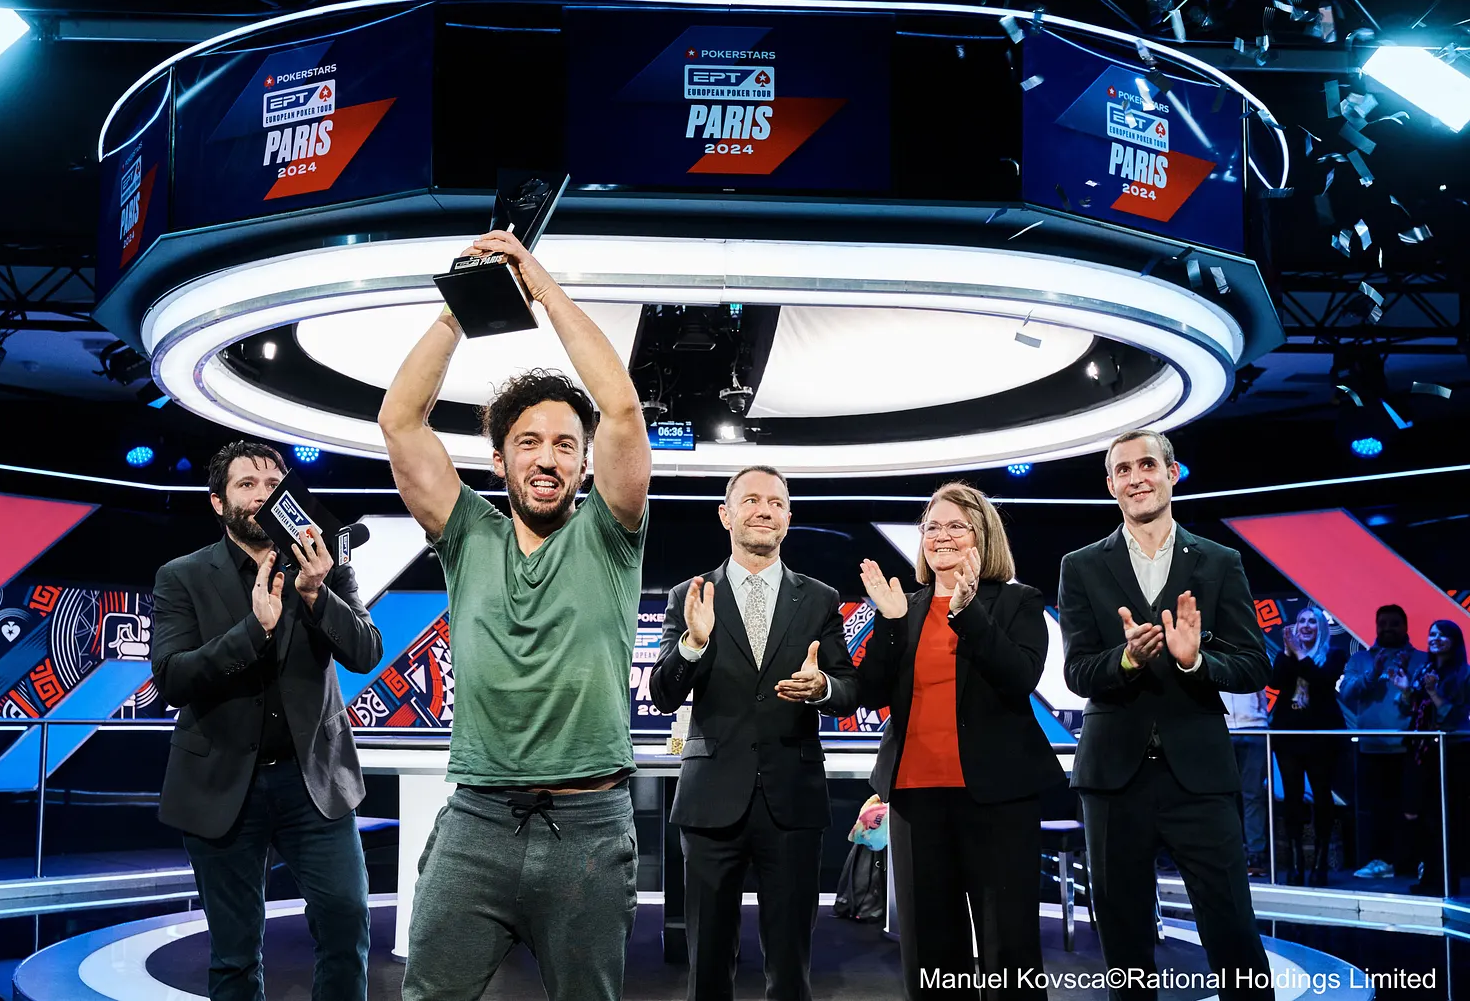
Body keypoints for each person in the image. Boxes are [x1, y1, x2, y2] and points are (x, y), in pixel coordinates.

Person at [378, 229, 652, 1001]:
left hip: (590, 830)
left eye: (566, 443)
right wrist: (465, 304)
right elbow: (401, 421)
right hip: (477, 823)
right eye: (528, 441)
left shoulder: (610, 533)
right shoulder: (467, 532)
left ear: (585, 462)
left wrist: (539, 286)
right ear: (498, 459)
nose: (548, 457)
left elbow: (622, 407)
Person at [150, 440, 384, 1001]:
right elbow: (172, 678)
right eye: (246, 484)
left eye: (272, 485)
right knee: (234, 954)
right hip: (222, 785)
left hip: (314, 783)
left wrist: (316, 593)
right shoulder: (182, 576)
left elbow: (365, 652)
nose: (261, 495)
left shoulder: (323, 564)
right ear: (218, 502)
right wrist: (253, 631)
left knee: (346, 924)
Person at [1059, 430, 1272, 1001]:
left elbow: (1254, 665)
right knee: (1125, 943)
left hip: (1199, 776)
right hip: (1113, 779)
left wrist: (1196, 661)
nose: (1137, 478)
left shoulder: (1219, 561)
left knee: (1233, 933)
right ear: (1111, 485)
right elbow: (1077, 672)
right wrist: (1127, 659)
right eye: (1124, 470)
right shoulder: (1081, 566)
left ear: (1172, 473)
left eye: (1147, 465)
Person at [651, 465, 860, 1001]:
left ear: (788, 517)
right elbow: (663, 694)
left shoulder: (820, 598)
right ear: (726, 515)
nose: (764, 510)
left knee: (790, 968)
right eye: (751, 500)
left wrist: (822, 688)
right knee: (707, 966)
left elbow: (848, 689)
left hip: (793, 798)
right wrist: (694, 645)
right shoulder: (690, 594)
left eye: (775, 502)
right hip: (711, 800)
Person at [857, 481, 1065, 1001]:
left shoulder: (1018, 601)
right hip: (916, 799)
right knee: (930, 952)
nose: (941, 536)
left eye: (956, 526)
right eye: (932, 527)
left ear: (982, 536)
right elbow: (871, 692)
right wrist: (889, 623)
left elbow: (1019, 678)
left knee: (1008, 948)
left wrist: (969, 611)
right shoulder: (904, 606)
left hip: (997, 798)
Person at [1337, 603, 1425, 880]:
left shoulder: (1422, 659)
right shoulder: (1360, 660)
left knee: (1413, 809)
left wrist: (1408, 686)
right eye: (1382, 624)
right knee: (1377, 810)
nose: (1387, 629)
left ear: (1405, 626)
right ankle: (1382, 861)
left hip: (1411, 746)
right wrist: (1373, 673)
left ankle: (1415, 862)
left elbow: (1427, 701)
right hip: (1371, 746)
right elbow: (1347, 693)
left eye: (1393, 624)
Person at [1267, 606, 1346, 887]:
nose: (1306, 625)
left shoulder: (1334, 654)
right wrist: (1288, 652)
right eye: (1301, 621)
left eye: (1312, 621)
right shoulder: (1286, 655)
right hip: (1289, 736)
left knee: (1322, 797)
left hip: (1322, 737)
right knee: (1292, 798)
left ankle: (1320, 863)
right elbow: (1275, 681)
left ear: (1321, 628)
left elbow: (1322, 682)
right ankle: (1296, 862)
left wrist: (1300, 653)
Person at [1402, 619, 1470, 896]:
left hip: (1451, 751)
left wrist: (1433, 692)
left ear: (1454, 641)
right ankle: (1430, 876)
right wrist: (1405, 689)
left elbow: (1454, 717)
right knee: (1423, 816)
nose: (1435, 639)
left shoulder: (1463, 674)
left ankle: (1447, 880)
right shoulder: (1424, 669)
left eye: (1442, 635)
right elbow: (1412, 708)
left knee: (1447, 818)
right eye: (1432, 634)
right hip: (1423, 750)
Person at [1221, 687, 1270, 879]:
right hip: (1221, 727)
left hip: (1255, 726)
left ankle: (1256, 854)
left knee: (1253, 794)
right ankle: (1229, 850)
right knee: (1224, 795)